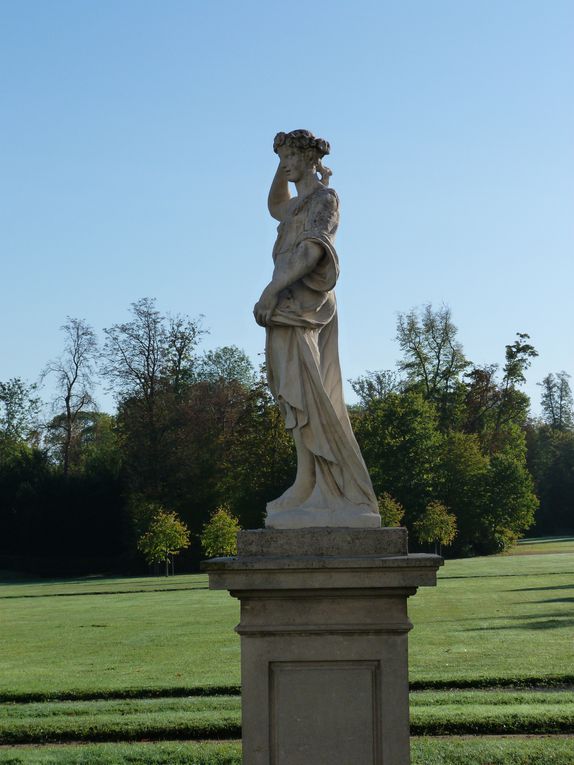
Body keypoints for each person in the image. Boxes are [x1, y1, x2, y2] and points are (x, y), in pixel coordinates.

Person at [254, 129, 380, 528]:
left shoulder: (325, 199)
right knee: (294, 396)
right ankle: (306, 482)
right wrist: (280, 163)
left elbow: (312, 250)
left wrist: (270, 291)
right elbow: (275, 204)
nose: (285, 163)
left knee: (312, 393)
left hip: (304, 305)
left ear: (309, 157)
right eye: (281, 157)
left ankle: (335, 488)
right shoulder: (296, 204)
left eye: (291, 156)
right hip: (287, 306)